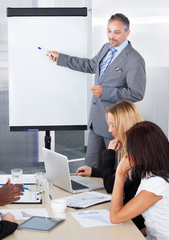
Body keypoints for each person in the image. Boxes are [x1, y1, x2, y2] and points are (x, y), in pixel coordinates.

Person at [47, 13, 146, 168]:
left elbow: (137, 93)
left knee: (113, 171)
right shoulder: (106, 48)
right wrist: (61, 58)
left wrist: (105, 92)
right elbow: (90, 65)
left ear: (127, 33)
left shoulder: (135, 60)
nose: (111, 36)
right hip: (96, 121)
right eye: (109, 31)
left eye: (117, 32)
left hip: (115, 126)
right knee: (90, 169)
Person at [110, 121, 169, 239]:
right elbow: (157, 222)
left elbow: (115, 217)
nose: (127, 153)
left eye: (130, 149)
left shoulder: (157, 183)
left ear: (141, 151)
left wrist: (120, 173)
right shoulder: (164, 172)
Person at [76, 100, 145, 230]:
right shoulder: (137, 147)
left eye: (112, 125)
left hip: (136, 224)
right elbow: (119, 175)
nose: (109, 130)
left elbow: (111, 186)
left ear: (125, 125)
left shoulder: (138, 156)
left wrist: (108, 153)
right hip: (130, 215)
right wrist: (94, 171)